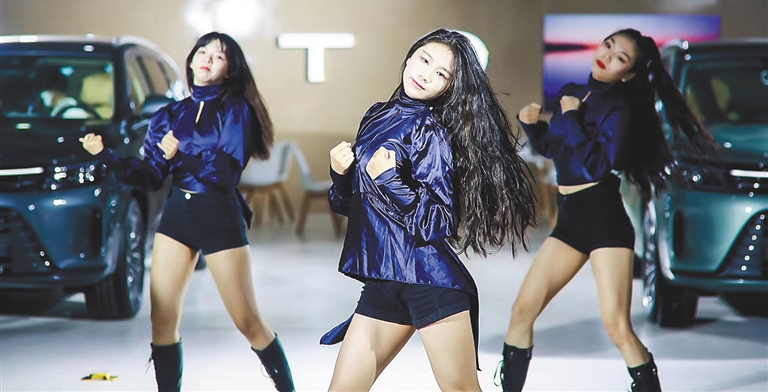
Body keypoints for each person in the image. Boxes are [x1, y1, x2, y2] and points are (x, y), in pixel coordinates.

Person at [498, 29, 717, 392]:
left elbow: (598, 165)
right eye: (609, 45)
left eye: (620, 58)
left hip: (605, 222)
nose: (607, 55)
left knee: (616, 326)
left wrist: (571, 118)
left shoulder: (619, 110)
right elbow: (555, 149)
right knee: (522, 311)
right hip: (570, 221)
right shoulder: (573, 92)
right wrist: (532, 126)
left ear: (628, 74)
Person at [322, 28, 537, 391]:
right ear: (409, 57)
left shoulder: (430, 131)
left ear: (449, 87)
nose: (425, 74)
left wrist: (390, 180)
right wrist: (340, 175)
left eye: (441, 73)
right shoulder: (376, 115)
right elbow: (351, 205)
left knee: (461, 389)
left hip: (428, 281)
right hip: (384, 279)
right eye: (424, 60)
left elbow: (438, 220)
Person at [79, 32, 295, 392]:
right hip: (177, 217)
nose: (208, 58)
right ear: (192, 59)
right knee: (162, 320)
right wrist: (106, 156)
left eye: (219, 56)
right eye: (203, 51)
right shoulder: (168, 115)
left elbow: (225, 173)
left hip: (219, 216)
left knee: (247, 321)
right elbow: (150, 177)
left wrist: (181, 156)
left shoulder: (236, 110)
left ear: (230, 70)